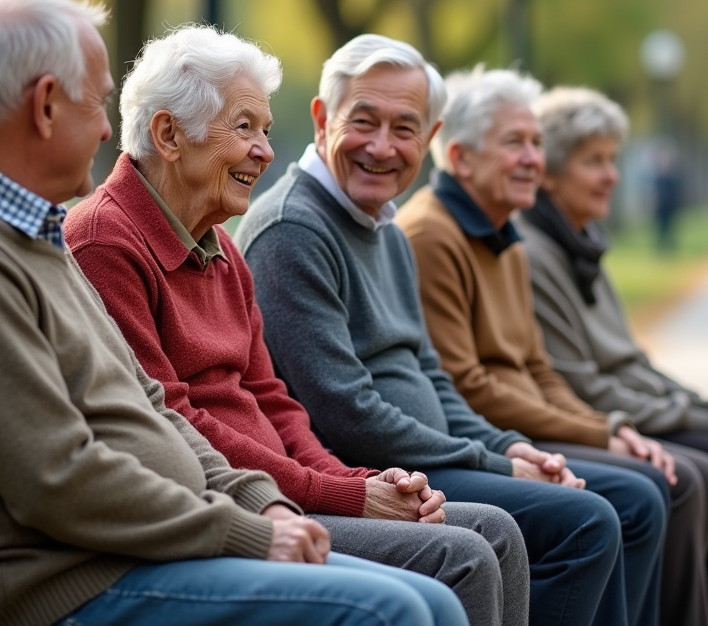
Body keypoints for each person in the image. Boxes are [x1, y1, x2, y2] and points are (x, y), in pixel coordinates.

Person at [0, 0, 468, 626]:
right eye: (95, 103)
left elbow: (149, 409)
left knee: (431, 598)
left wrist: (263, 503)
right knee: (398, 610)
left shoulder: (23, 237)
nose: (108, 129)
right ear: (45, 105)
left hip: (136, 555)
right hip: (62, 587)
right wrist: (249, 529)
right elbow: (57, 480)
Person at [65, 26, 529, 626]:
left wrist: (354, 481)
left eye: (264, 129)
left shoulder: (222, 250)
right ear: (168, 134)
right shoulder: (106, 242)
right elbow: (174, 419)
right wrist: (347, 496)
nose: (264, 150)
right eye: (244, 128)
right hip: (228, 506)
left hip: (287, 492)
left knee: (493, 531)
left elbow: (271, 401)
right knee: (459, 554)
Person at [238, 34, 653, 626]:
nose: (382, 147)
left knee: (599, 504)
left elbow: (431, 375)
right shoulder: (293, 231)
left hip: (433, 458)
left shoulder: (384, 226)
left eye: (405, 129)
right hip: (380, 470)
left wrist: (507, 446)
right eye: (364, 122)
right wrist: (493, 461)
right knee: (587, 520)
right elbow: (343, 412)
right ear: (322, 118)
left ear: (430, 139)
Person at [397, 65, 708, 626]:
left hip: (532, 427)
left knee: (662, 480)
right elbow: (467, 385)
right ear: (460, 157)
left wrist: (611, 429)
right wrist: (598, 432)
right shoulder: (432, 233)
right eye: (514, 143)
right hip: (492, 435)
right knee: (641, 495)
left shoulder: (508, 237)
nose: (533, 159)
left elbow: (541, 369)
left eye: (536, 143)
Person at [515, 87, 708, 626]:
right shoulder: (536, 253)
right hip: (585, 417)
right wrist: (705, 422)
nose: (612, 176)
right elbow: (583, 385)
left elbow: (630, 362)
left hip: (618, 406)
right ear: (548, 173)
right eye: (593, 161)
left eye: (613, 160)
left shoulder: (582, 241)